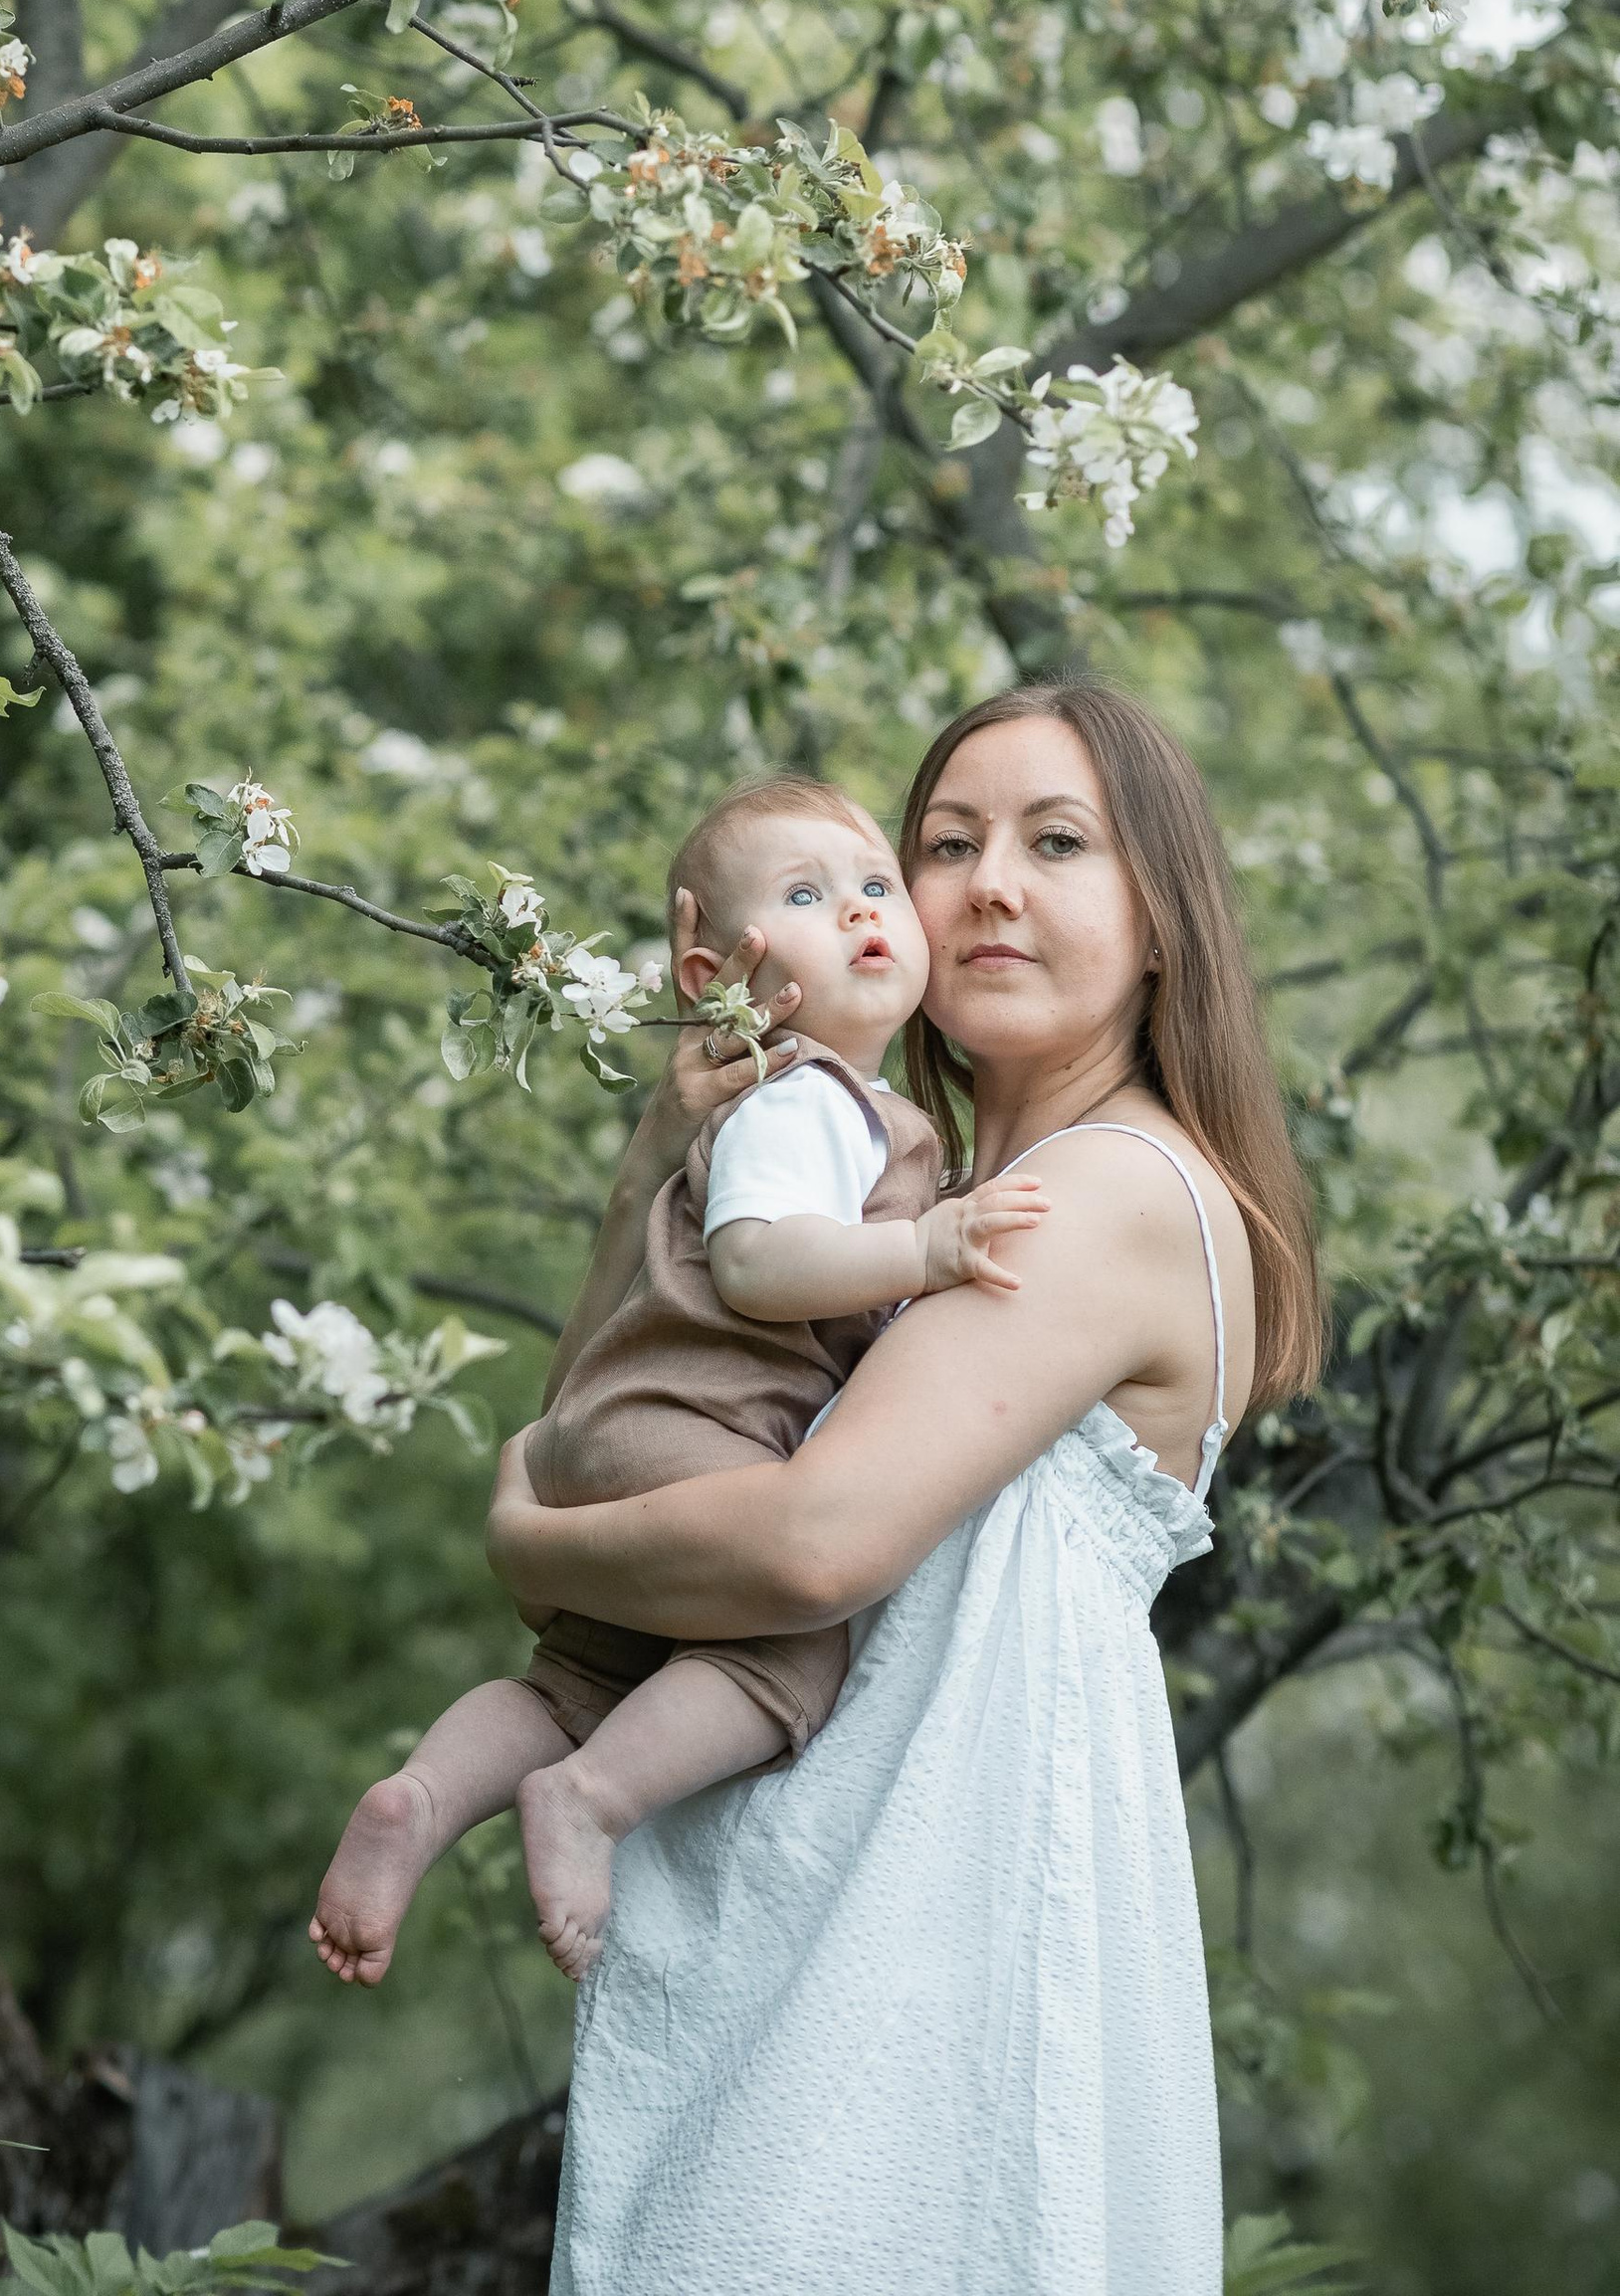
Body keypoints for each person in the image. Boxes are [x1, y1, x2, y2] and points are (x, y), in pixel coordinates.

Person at [484, 682, 1324, 2296]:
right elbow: (620, 1422)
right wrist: (661, 1158)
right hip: (807, 1945)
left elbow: (805, 1544)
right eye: (946, 843)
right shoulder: (892, 1205)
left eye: (1058, 843)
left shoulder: (1107, 1193)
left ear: (1163, 923)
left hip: (931, 1966)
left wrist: (529, 1537)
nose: (990, 881)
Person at [309, 773, 1046, 1987]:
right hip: (699, 1430)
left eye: (874, 886)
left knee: (573, 1682)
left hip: (614, 1435)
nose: (863, 912)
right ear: (716, 981)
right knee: (786, 1658)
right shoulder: (807, 1099)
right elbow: (757, 1264)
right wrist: (922, 1249)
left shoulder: (830, 1108)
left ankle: (421, 1800)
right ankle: (592, 1801)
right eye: (808, 897)